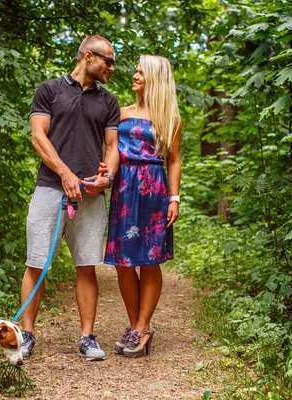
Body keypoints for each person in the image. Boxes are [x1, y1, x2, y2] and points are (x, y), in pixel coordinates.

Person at [20, 34, 120, 361]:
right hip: (49, 188)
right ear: (89, 56)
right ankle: (27, 334)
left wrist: (107, 178)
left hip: (90, 196)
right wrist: (65, 173)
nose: (112, 67)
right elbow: (38, 137)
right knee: (36, 263)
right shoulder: (49, 90)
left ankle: (87, 337)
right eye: (108, 60)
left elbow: (112, 148)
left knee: (86, 267)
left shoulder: (108, 101)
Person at [103, 55, 181, 358]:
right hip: (123, 188)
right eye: (135, 71)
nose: (134, 76)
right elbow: (110, 148)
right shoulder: (120, 113)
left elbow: (174, 160)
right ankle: (134, 325)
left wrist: (174, 198)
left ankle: (143, 327)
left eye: (141, 72)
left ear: (155, 79)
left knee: (149, 259)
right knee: (123, 260)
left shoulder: (169, 118)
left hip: (153, 189)